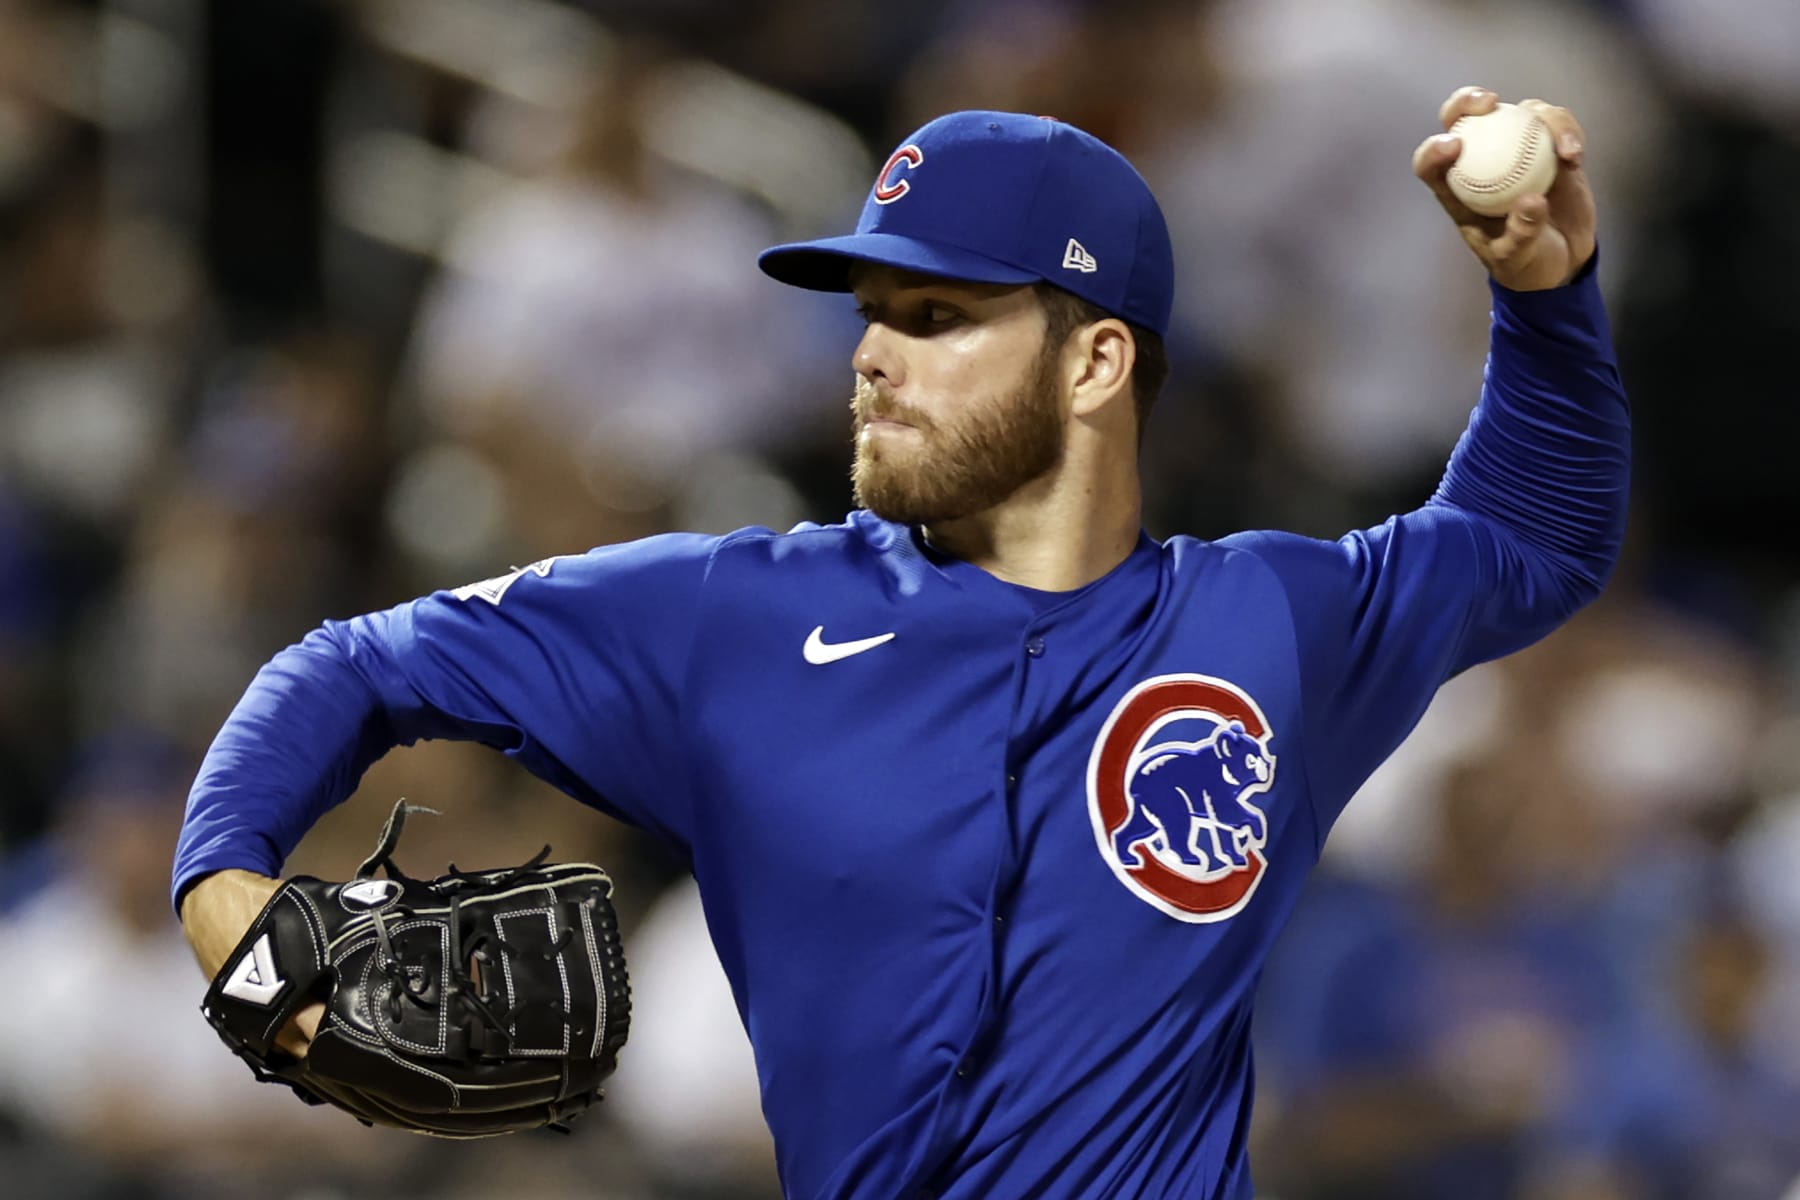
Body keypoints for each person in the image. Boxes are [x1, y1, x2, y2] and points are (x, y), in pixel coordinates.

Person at [175, 89, 1627, 1199]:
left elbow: (1531, 538)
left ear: (1096, 359)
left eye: (937, 316)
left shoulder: (1275, 624)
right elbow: (350, 667)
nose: (870, 355)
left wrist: (1544, 299)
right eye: (872, 314)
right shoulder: (731, 619)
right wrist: (229, 909)